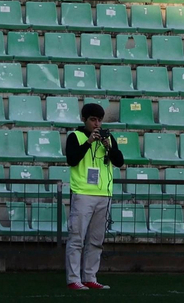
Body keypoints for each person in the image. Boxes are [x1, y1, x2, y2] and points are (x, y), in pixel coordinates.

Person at [64, 102, 125, 291]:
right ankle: (74, 279)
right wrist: (89, 142)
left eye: (99, 120)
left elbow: (119, 162)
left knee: (96, 240)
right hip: (83, 193)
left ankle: (90, 277)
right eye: (93, 120)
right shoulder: (75, 136)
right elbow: (72, 160)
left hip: (103, 194)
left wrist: (109, 147)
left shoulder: (108, 138)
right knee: (77, 238)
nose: (97, 124)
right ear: (84, 120)